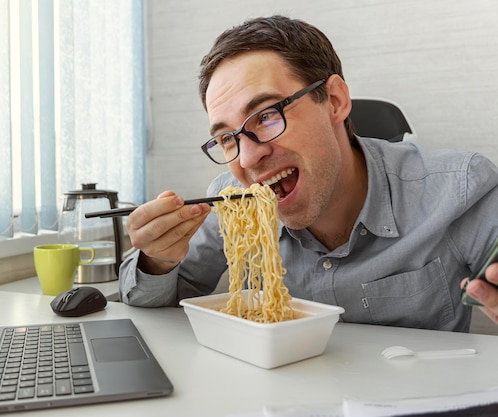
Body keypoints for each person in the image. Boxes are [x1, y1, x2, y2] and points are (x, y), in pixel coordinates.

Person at [118, 15, 498, 332]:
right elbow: (157, 303)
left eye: (266, 116)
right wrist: (157, 260)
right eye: (227, 138)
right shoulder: (233, 202)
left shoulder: (457, 188)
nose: (248, 158)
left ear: (334, 101)